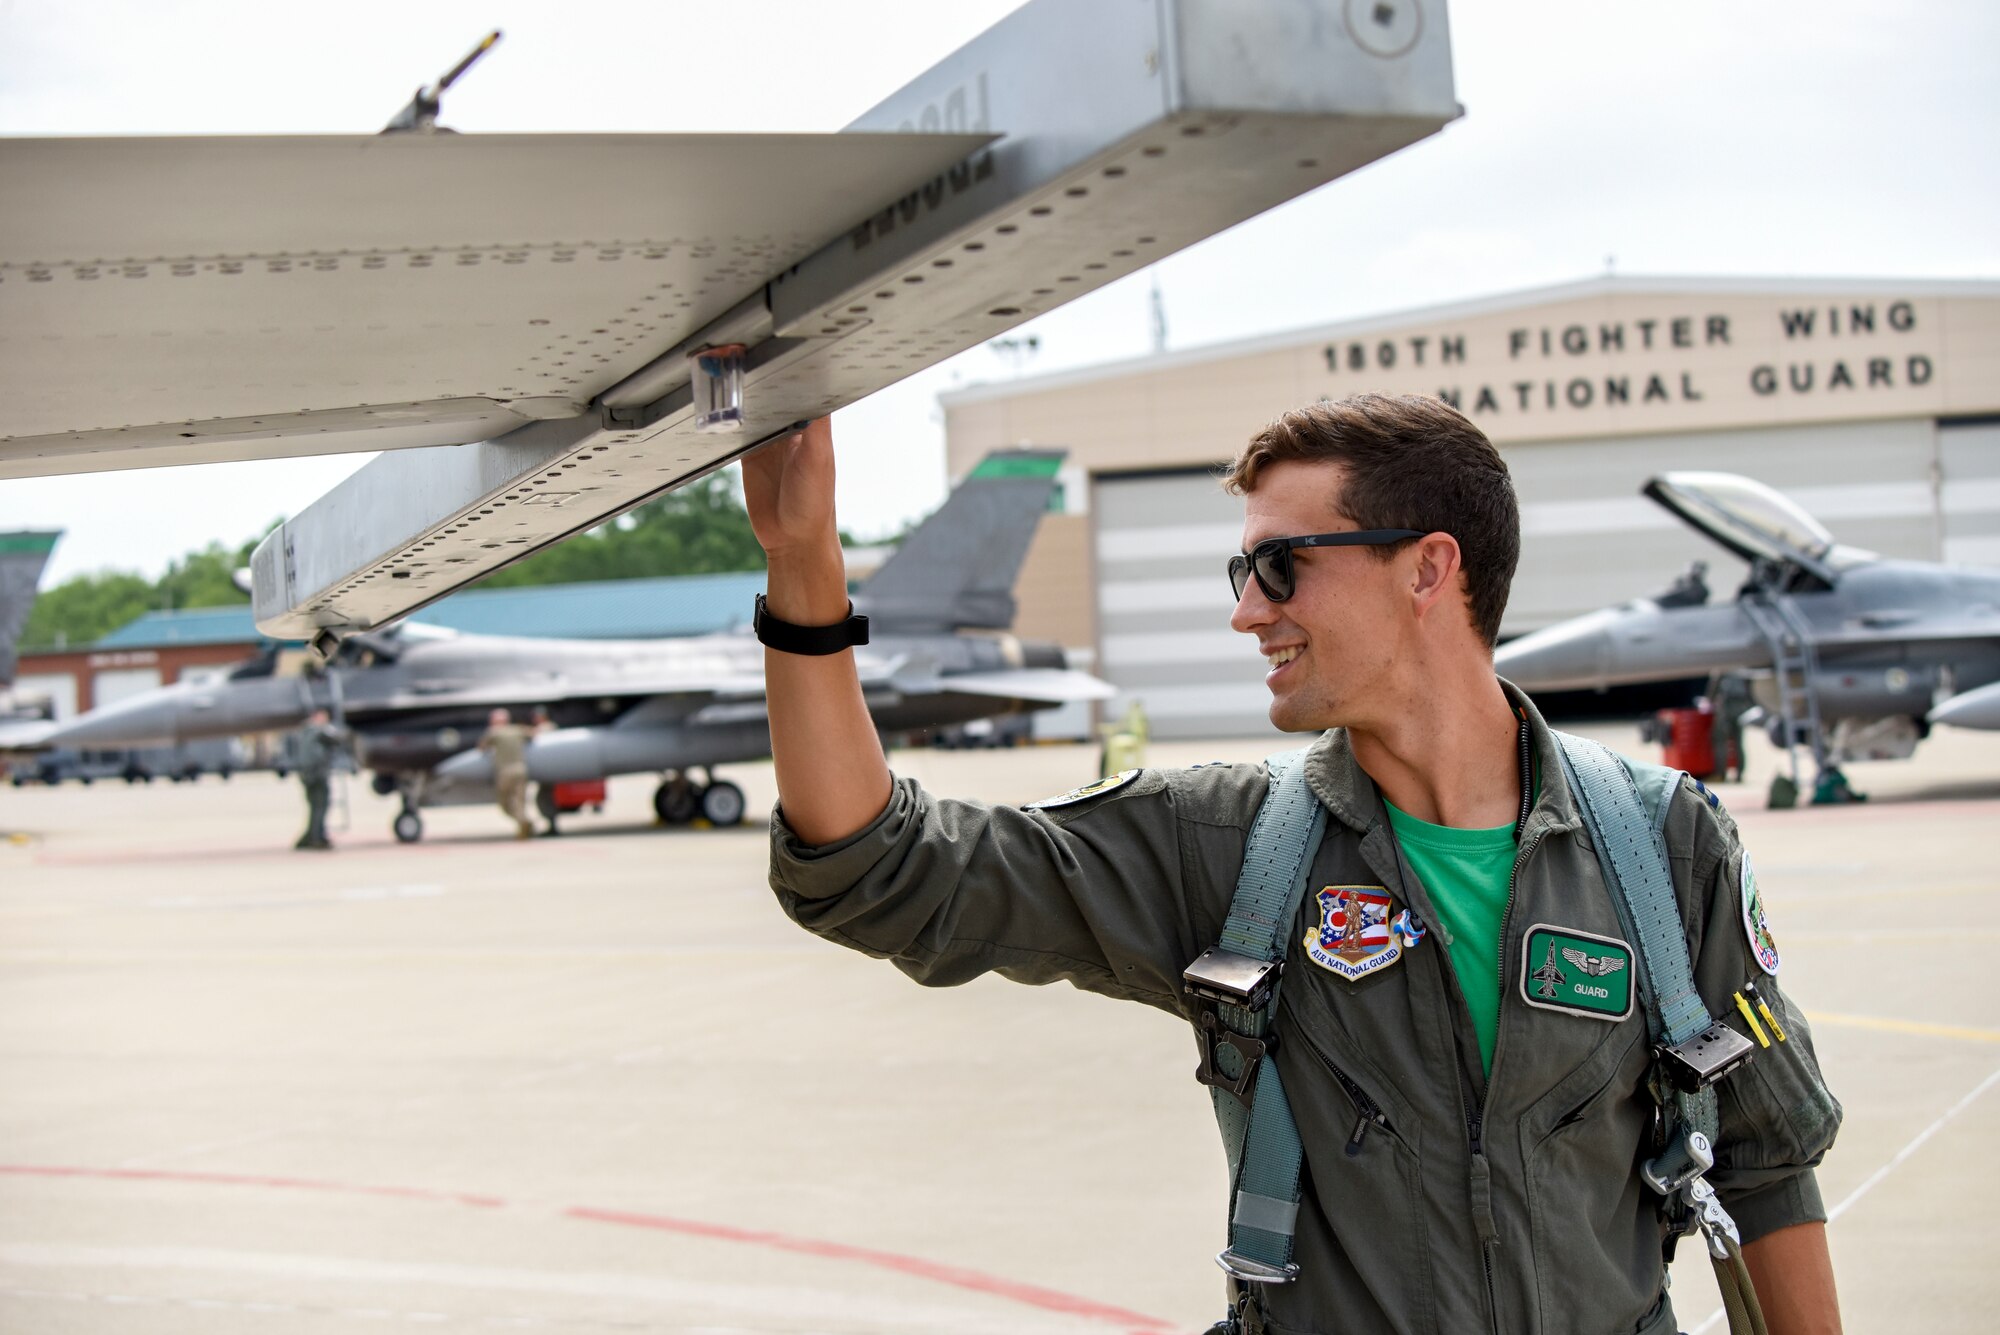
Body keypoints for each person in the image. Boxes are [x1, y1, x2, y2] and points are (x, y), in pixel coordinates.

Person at [745, 403, 1842, 1335]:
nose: (1244, 610)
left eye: (1278, 566)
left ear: (1428, 568)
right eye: (1243, 570)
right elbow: (876, 868)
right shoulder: (1220, 846)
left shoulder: (1660, 845)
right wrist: (803, 569)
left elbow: (1759, 1165)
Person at [478, 707, 536, 839]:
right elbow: (533, 735)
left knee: (505, 803)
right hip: (521, 770)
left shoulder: (493, 732)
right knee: (520, 802)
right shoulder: (517, 730)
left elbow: (482, 748)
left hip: (505, 772)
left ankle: (523, 822)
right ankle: (524, 824)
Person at [291, 708, 341, 850]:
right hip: (317, 775)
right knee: (320, 806)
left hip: (308, 776)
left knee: (315, 807)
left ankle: (310, 837)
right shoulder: (317, 731)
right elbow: (336, 739)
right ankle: (316, 838)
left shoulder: (304, 731)